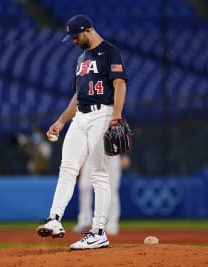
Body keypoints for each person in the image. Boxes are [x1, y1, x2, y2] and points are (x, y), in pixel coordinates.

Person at [36, 14, 128, 250]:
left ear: (88, 30)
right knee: (67, 168)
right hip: (80, 117)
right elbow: (78, 96)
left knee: (98, 173)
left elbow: (119, 84)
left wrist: (116, 117)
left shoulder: (110, 52)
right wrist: (60, 122)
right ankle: (54, 219)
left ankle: (98, 231)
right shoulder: (81, 59)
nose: (74, 40)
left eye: (76, 36)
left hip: (103, 114)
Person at [73, 154, 131, 236]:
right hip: (92, 154)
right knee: (84, 186)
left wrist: (126, 154)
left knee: (112, 190)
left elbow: (126, 140)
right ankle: (85, 221)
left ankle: (112, 224)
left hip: (111, 154)